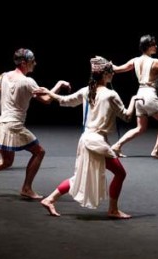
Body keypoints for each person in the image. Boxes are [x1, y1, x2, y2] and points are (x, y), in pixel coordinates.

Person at [34, 56, 143, 219]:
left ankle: (50, 199)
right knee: (120, 174)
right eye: (111, 72)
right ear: (105, 74)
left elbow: (65, 101)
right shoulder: (110, 94)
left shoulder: (87, 91)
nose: (112, 74)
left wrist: (49, 92)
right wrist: (134, 100)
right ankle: (113, 209)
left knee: (81, 176)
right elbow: (127, 117)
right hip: (96, 141)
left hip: (86, 139)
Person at [0, 48, 70, 199]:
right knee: (39, 152)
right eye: (32, 61)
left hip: (2, 124)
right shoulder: (28, 82)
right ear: (24, 63)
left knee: (6, 161)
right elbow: (47, 100)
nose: (35, 63)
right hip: (14, 126)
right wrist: (59, 85)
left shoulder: (5, 76)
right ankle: (26, 188)